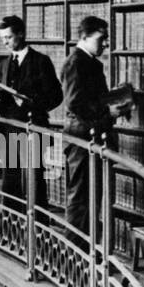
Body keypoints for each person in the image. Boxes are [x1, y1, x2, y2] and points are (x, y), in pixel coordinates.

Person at [0, 15, 62, 209]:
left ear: (21, 34)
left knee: (35, 179)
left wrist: (29, 102)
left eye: (9, 37)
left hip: (32, 127)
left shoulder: (40, 61)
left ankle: (39, 229)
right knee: (9, 179)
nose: (5, 42)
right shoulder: (3, 64)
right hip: (7, 128)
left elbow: (56, 96)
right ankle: (12, 229)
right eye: (2, 38)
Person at [61, 16, 122, 238]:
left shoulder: (88, 62)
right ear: (85, 37)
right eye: (102, 38)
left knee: (90, 196)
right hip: (81, 138)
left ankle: (84, 250)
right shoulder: (76, 62)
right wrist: (108, 112)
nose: (106, 43)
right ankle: (73, 254)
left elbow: (89, 98)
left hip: (90, 136)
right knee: (80, 198)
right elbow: (76, 103)